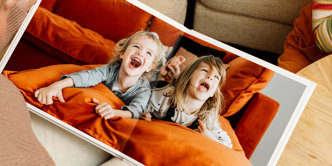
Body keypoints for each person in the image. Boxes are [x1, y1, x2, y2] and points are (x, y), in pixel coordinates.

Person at [34, 31, 166, 119]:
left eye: (148, 53)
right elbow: (86, 77)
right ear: (122, 53)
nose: (140, 53)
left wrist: (114, 112)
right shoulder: (109, 70)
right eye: (136, 46)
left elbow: (136, 110)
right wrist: (56, 85)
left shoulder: (144, 90)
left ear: (150, 67)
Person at [141, 55, 233, 148]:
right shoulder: (165, 98)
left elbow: (228, 145)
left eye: (216, 77)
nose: (210, 77)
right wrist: (143, 115)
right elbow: (140, 101)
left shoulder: (208, 118)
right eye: (205, 70)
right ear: (189, 76)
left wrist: (209, 137)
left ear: (213, 92)